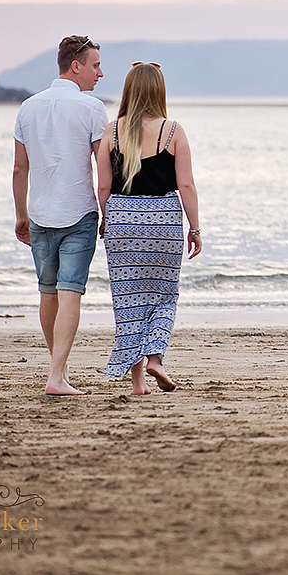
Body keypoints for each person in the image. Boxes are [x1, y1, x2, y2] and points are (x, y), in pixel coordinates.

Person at [96, 62, 202, 395]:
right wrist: (195, 229)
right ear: (159, 91)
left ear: (128, 90)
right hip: (164, 222)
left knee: (129, 301)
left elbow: (102, 188)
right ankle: (155, 358)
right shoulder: (173, 131)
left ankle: (138, 384)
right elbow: (186, 185)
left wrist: (104, 218)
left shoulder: (112, 132)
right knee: (163, 297)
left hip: (123, 220)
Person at [13, 35, 107, 395]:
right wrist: (106, 209)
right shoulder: (91, 108)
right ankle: (56, 376)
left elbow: (20, 169)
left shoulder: (28, 107)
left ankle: (59, 371)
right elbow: (103, 167)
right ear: (76, 66)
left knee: (47, 293)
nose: (100, 73)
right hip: (78, 211)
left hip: (39, 212)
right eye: (95, 65)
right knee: (70, 294)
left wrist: (20, 214)